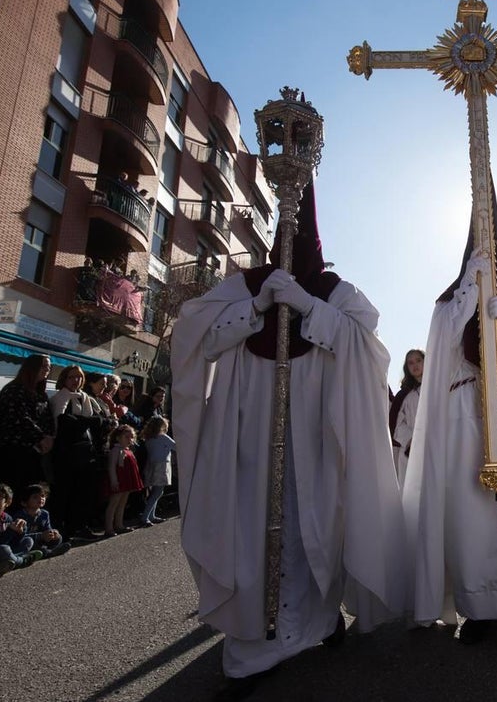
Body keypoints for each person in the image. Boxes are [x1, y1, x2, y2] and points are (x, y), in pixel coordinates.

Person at [172, 180, 407, 700]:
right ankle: (255, 647)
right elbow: (197, 339)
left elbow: (368, 345)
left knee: (317, 523)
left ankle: (320, 621)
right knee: (253, 528)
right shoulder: (243, 283)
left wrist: (308, 306)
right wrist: (255, 308)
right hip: (250, 430)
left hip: (318, 429)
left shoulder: (335, 290)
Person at [403, 208, 497, 644]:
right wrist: (469, 291)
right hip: (465, 419)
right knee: (469, 514)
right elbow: (440, 348)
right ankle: (480, 609)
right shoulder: (448, 305)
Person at [50, 365, 114, 539]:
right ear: (64, 379)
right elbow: (64, 422)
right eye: (72, 377)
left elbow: (103, 421)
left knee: (83, 492)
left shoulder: (85, 398)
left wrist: (88, 421)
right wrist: (91, 421)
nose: (76, 380)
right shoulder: (60, 398)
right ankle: (61, 529)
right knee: (65, 492)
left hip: (86, 452)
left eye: (79, 377)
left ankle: (79, 526)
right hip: (66, 453)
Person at [0, 355, 54, 491]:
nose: (47, 370)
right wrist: (40, 437)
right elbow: (19, 416)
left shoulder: (41, 395)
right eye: (44, 366)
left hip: (33, 452)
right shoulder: (14, 389)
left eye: (49, 367)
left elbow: (47, 419)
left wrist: (49, 437)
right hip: (11, 450)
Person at [388, 349, 423, 486]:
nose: (415, 365)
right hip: (411, 449)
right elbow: (395, 424)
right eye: (411, 363)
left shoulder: (437, 389)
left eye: (419, 360)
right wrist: (411, 439)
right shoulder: (403, 395)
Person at [103, 424, 143, 536]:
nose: (130, 439)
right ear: (118, 438)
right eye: (126, 437)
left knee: (123, 502)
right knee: (114, 502)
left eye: (131, 437)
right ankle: (108, 528)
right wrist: (114, 480)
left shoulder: (127, 450)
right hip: (119, 480)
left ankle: (119, 525)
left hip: (126, 479)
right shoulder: (116, 450)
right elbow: (111, 467)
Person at [12, 483, 70, 557]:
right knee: (29, 542)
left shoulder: (44, 514)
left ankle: (48, 550)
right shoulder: (20, 516)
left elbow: (47, 528)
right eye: (35, 497)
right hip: (27, 542)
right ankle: (48, 552)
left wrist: (52, 533)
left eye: (42, 496)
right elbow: (20, 537)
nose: (41, 499)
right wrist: (41, 536)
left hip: (41, 540)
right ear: (24, 503)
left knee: (58, 537)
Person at [138, 415, 174, 526]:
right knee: (157, 492)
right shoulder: (163, 437)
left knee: (155, 491)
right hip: (162, 465)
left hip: (151, 465)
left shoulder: (149, 439)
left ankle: (151, 515)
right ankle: (145, 517)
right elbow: (175, 446)